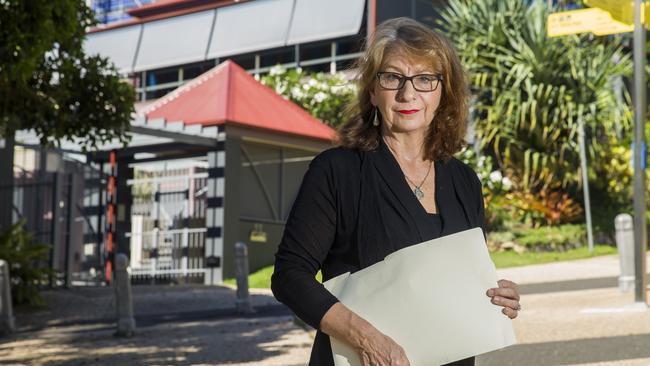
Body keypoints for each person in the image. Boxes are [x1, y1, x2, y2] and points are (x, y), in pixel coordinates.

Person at [271, 17, 521, 366]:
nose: (408, 94)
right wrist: (366, 339)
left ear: (443, 92)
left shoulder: (465, 181)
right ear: (373, 91)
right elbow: (289, 276)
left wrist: (498, 297)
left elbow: (458, 277)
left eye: (424, 79)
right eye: (392, 78)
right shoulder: (336, 171)